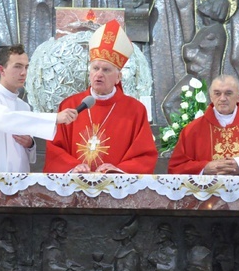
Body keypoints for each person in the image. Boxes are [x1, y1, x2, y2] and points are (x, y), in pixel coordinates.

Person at [44, 20, 158, 173]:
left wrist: (118, 171)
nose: (99, 74)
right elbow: (55, 150)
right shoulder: (70, 106)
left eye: (106, 70)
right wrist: (72, 167)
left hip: (116, 190)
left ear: (118, 77)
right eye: (95, 68)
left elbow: (144, 155)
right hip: (75, 186)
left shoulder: (135, 110)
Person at [0, 44, 77, 172]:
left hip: (19, 179)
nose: (23, 73)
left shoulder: (23, 106)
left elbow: (28, 154)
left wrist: (30, 144)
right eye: (17, 67)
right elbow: (6, 119)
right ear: (2, 70)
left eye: (26, 67)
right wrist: (55, 118)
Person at [167, 74, 239, 176]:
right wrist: (205, 168)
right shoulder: (192, 131)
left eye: (228, 93)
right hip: (206, 197)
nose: (222, 98)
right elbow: (176, 167)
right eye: (217, 93)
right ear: (211, 96)